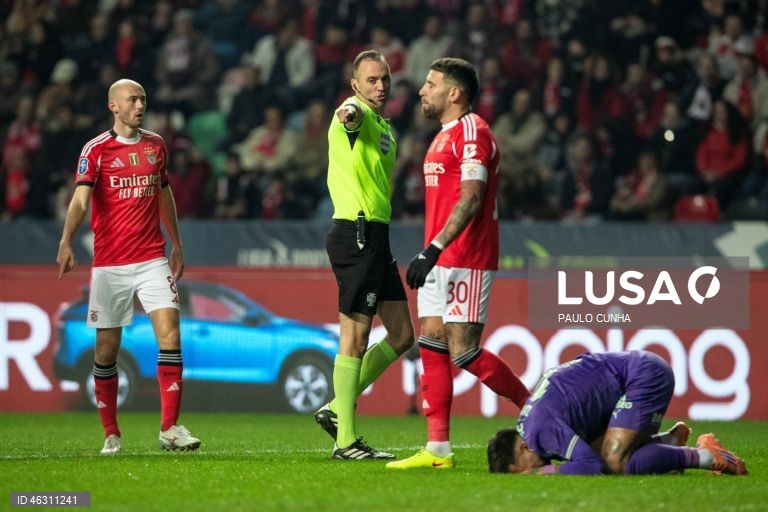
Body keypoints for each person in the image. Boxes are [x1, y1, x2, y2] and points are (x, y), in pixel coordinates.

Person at [387, 58, 529, 470]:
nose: (422, 90)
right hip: (438, 257)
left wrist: (433, 249)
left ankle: (535, 406)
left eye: (431, 84)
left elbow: (471, 197)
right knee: (431, 343)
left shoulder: (473, 132)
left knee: (464, 351)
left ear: (454, 93)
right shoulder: (442, 136)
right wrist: (432, 252)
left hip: (466, 256)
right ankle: (437, 449)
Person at [56, 79, 200, 455]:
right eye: (132, 99)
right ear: (114, 107)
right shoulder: (96, 150)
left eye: (143, 99)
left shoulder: (156, 145)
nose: (140, 105)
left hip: (152, 257)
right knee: (107, 350)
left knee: (171, 334)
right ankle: (111, 432)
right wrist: (66, 240)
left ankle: (169, 428)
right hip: (110, 264)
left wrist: (177, 243)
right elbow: (80, 201)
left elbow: (164, 194)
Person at [314, 50, 415, 460]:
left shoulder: (385, 127)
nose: (380, 86)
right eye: (372, 80)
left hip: (376, 236)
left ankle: (335, 408)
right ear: (355, 84)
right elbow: (348, 116)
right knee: (354, 337)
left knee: (402, 334)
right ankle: (346, 442)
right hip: (355, 233)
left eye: (385, 79)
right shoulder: (354, 114)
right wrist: (349, 113)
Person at [487, 351, 748, 476]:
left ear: (524, 448)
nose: (529, 475)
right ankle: (667, 443)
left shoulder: (540, 432)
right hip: (631, 375)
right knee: (600, 452)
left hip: (643, 375)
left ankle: (706, 456)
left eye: (523, 472)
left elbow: (593, 466)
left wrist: (543, 473)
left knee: (613, 461)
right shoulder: (531, 423)